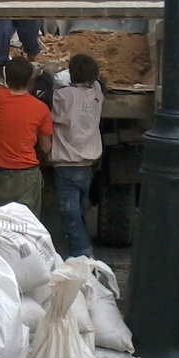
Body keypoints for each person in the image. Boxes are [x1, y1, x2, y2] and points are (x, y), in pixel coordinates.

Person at [49, 54, 105, 258]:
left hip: (66, 165)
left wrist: (46, 74)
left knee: (69, 214)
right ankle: (78, 250)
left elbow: (42, 96)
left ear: (71, 74)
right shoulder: (97, 93)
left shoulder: (63, 97)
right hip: (87, 166)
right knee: (80, 210)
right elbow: (101, 82)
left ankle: (82, 253)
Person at [0, 56, 53, 218]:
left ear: (7, 78)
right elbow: (46, 147)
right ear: (30, 79)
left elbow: (0, 86)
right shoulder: (41, 109)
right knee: (27, 226)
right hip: (27, 176)